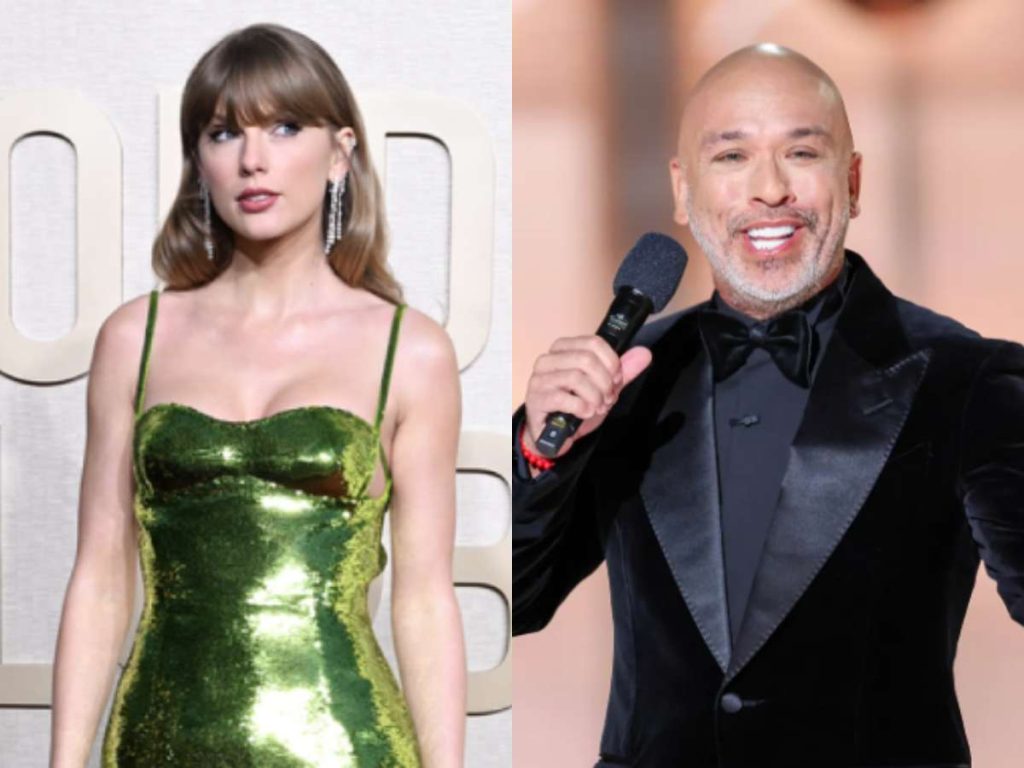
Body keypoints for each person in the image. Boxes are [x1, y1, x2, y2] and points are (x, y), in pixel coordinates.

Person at [512, 43, 1024, 767]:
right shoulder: (623, 383)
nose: (770, 190)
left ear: (851, 181)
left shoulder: (968, 377)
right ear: (683, 192)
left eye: (802, 154)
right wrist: (540, 451)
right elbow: (512, 603)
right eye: (732, 158)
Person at [49, 23, 465, 768]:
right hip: (156, 743)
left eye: (284, 126)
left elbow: (425, 600)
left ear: (339, 154)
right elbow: (100, 579)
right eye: (221, 132)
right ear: (198, 162)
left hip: (349, 745)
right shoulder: (134, 339)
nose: (253, 159)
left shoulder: (411, 352)